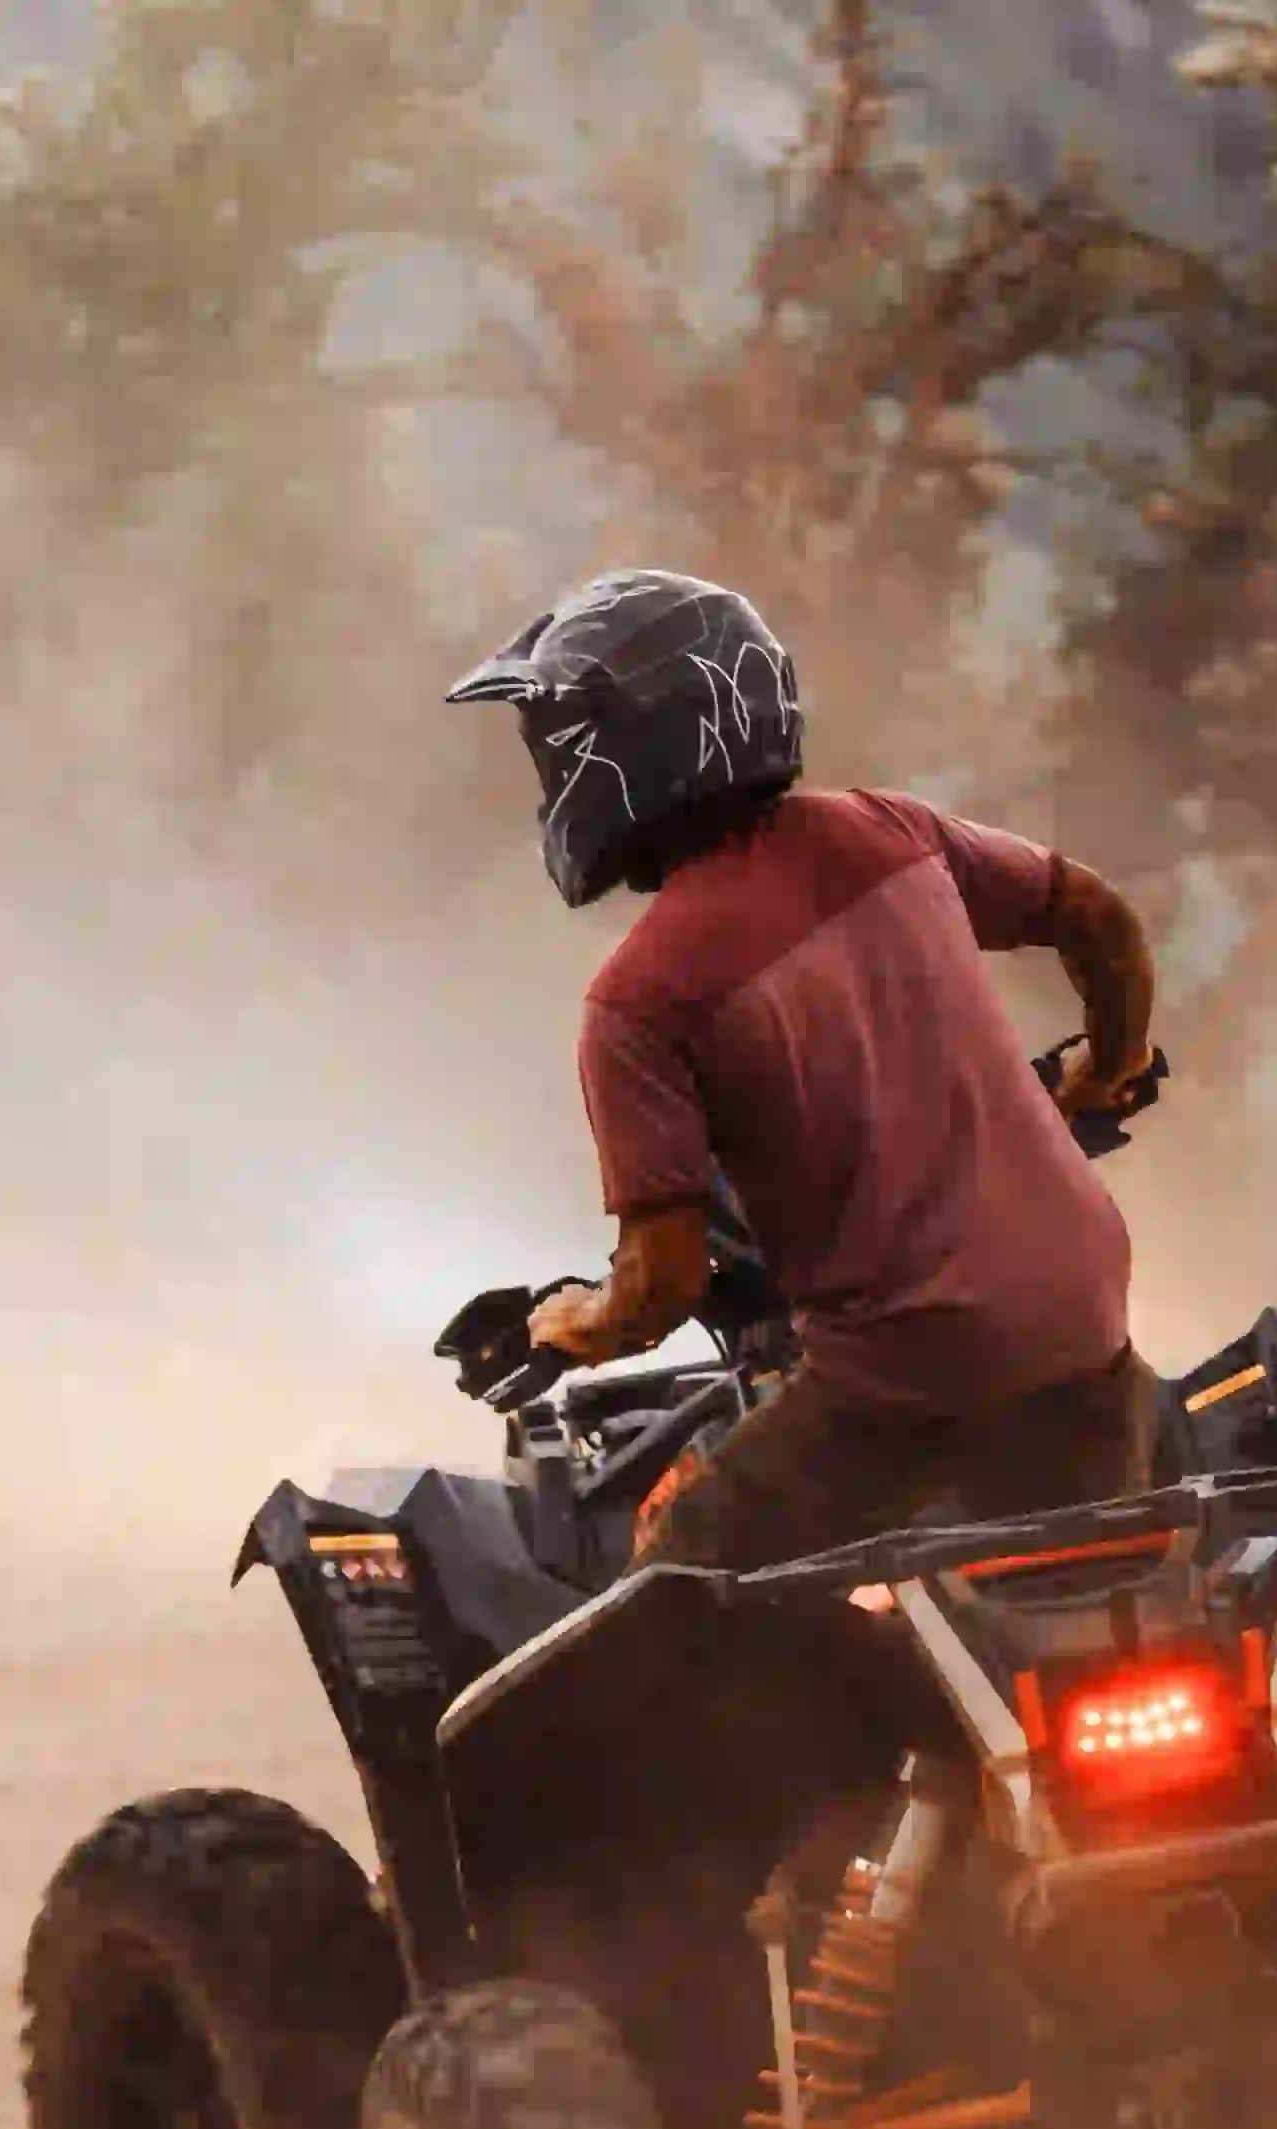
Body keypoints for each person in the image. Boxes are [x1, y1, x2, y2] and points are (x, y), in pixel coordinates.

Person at [446, 567, 1161, 1572]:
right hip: (1083, 1319)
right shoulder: (892, 832)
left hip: (907, 1371)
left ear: (609, 758)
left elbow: (661, 1285)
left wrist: (572, 1327)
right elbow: (1096, 918)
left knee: (681, 1580)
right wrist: (1106, 1067)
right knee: (1088, 1589)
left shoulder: (638, 998)